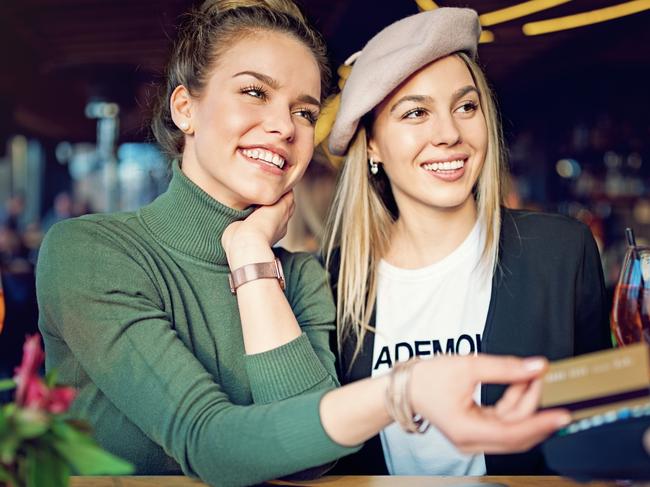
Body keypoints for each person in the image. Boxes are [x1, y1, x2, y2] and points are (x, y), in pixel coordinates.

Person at [37, 2, 572, 486]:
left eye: (304, 111)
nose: (283, 127)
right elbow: (208, 441)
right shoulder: (89, 251)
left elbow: (309, 462)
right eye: (254, 92)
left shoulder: (300, 276)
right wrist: (400, 391)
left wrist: (250, 256)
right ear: (185, 108)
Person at [322, 7, 611, 477]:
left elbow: (597, 429)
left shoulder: (561, 252)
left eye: (466, 106)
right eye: (416, 112)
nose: (450, 134)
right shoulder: (331, 279)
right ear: (371, 144)